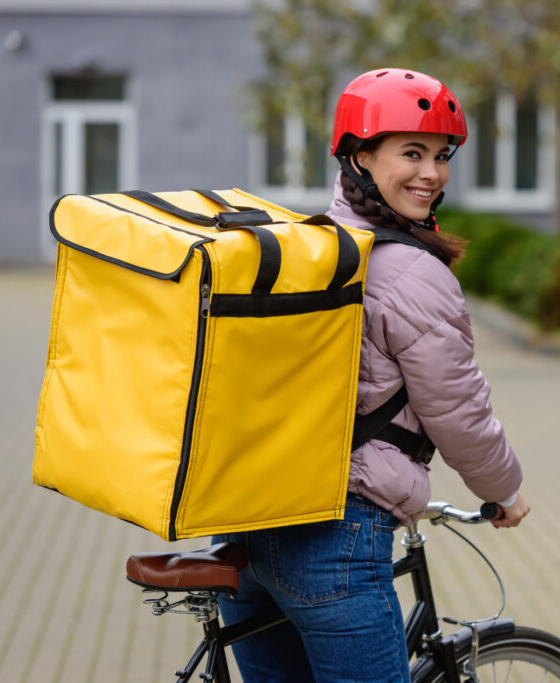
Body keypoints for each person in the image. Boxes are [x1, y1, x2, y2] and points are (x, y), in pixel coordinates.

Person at [216, 68, 530, 683]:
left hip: (250, 528)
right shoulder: (410, 271)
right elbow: (457, 409)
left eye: (441, 155)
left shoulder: (315, 246)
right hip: (337, 539)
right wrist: (505, 489)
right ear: (359, 157)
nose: (431, 173)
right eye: (410, 152)